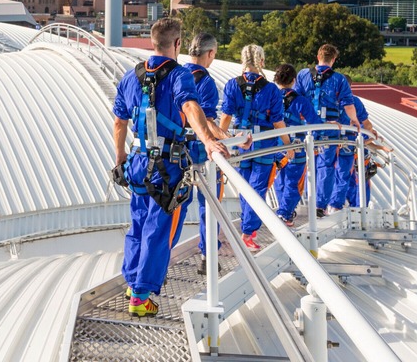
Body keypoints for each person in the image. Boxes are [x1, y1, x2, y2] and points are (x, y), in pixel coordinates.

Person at [113, 17, 228, 318]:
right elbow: (190, 108)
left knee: (138, 224)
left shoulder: (131, 76)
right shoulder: (180, 76)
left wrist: (120, 159)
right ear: (177, 44)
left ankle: (132, 280)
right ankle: (142, 295)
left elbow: (119, 121)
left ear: (152, 42)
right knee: (158, 231)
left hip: (137, 162)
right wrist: (208, 141)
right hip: (167, 167)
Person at [219, 44, 289, 252]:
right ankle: (248, 233)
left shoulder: (232, 85)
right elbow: (277, 122)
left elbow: (225, 118)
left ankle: (247, 228)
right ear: (262, 62)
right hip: (263, 143)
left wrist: (223, 142)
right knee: (257, 188)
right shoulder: (271, 90)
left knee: (244, 185)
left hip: (240, 142)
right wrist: (288, 144)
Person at [295, 44, 360, 217]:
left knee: (305, 161)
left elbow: (295, 98)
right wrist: (354, 120)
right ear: (334, 59)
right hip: (328, 127)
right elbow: (348, 104)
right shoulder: (339, 79)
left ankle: (299, 202)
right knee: (326, 165)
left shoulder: (303, 74)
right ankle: (319, 204)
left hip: (307, 125)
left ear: (318, 56)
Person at [182, 32, 220, 274]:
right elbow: (207, 121)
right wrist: (227, 139)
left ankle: (158, 266)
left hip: (176, 150)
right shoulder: (206, 83)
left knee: (173, 207)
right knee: (208, 204)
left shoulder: (177, 74)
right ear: (211, 53)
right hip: (200, 150)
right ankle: (208, 256)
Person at [272, 63, 318, 226]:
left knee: (280, 180)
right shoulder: (301, 101)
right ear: (294, 80)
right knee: (294, 182)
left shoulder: (270, 97)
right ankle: (285, 213)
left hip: (275, 147)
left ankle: (284, 211)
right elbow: (315, 123)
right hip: (296, 147)